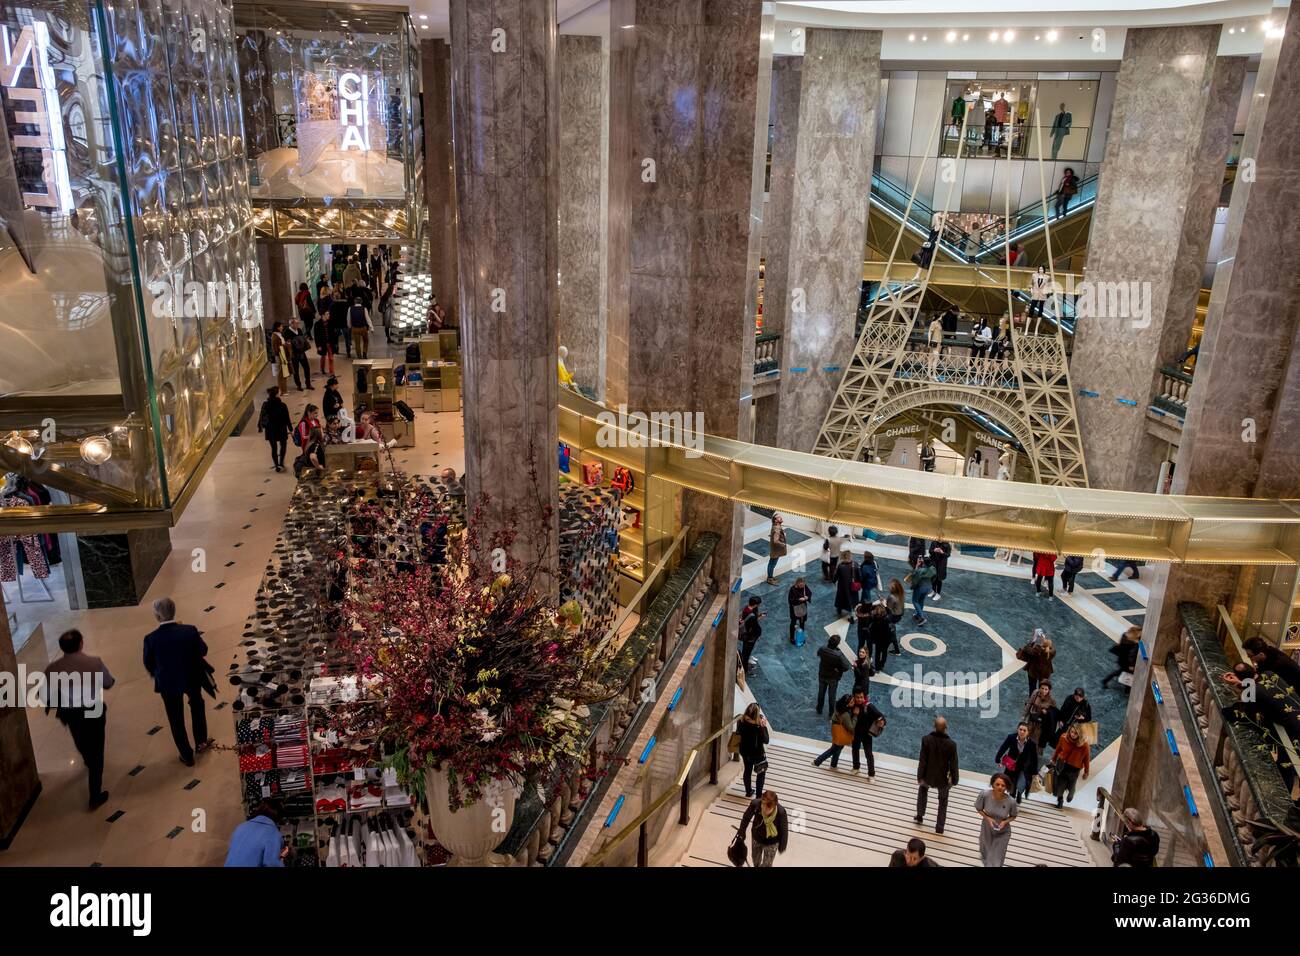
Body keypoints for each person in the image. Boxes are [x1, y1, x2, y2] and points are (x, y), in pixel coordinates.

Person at [45, 629, 114, 809]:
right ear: (81, 643)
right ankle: (95, 795)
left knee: (80, 739)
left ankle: (87, 758)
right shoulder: (94, 662)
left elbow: (45, 696)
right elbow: (108, 682)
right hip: (93, 711)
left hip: (71, 714)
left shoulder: (52, 669)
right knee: (97, 749)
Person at [142, 597, 210, 767]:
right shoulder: (189, 630)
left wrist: (158, 673)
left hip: (168, 683)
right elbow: (203, 650)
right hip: (191, 677)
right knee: (197, 706)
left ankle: (186, 755)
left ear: (157, 616)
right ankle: (201, 742)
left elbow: (148, 663)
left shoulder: (151, 639)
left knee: (175, 718)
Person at [915, 716, 959, 833]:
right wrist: (954, 780)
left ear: (934, 726)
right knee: (943, 802)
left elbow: (923, 760)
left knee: (922, 792)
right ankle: (939, 827)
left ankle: (920, 815)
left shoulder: (926, 740)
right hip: (943, 778)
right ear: (946, 728)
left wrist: (920, 776)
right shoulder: (951, 744)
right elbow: (954, 764)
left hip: (928, 775)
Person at [224, 801, 287, 867]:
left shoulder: (241, 827)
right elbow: (272, 864)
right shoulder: (273, 833)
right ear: (279, 817)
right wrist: (281, 857)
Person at [974, 773, 1018, 866]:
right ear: (992, 784)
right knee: (985, 854)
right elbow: (979, 808)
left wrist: (1005, 821)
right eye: (997, 784)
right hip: (987, 829)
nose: (1000, 787)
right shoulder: (984, 794)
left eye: (1003, 785)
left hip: (1003, 832)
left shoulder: (1011, 801)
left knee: (996, 859)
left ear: (1006, 787)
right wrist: (988, 818)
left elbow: (1013, 815)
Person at [737, 790, 789, 867]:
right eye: (763, 805)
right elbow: (746, 818)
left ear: (774, 806)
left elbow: (784, 830)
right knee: (755, 859)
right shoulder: (755, 804)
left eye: (769, 808)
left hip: (772, 841)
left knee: (767, 863)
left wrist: (782, 845)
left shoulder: (781, 812)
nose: (765, 810)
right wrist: (742, 831)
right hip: (756, 837)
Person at [994, 722, 1039, 804]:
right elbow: (1003, 747)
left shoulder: (1031, 744)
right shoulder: (1011, 737)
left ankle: (1019, 794)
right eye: (1020, 729)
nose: (1022, 732)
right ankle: (1012, 798)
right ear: (1017, 730)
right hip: (1011, 766)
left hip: (1023, 767)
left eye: (1024, 730)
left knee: (1021, 783)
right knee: (1011, 782)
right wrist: (998, 758)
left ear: (1028, 732)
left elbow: (1034, 758)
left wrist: (1034, 772)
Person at [1048, 722, 1091, 808]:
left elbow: (1086, 759)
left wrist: (1086, 772)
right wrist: (1053, 759)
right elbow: (1058, 749)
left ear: (1080, 734)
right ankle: (1060, 801)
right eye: (1071, 732)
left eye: (1075, 733)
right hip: (1062, 764)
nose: (1073, 734)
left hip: (1075, 768)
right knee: (1060, 784)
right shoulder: (1064, 737)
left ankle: (1070, 795)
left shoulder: (1084, 744)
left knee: (1071, 787)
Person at [813, 693, 856, 771]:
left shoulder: (838, 707)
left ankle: (833, 765)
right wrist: (855, 716)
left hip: (836, 731)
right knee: (833, 749)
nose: (854, 703)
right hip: (841, 733)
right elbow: (851, 728)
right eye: (852, 702)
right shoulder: (845, 714)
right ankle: (817, 762)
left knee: (837, 748)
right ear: (847, 705)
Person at [735, 703, 769, 798]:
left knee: (747, 770)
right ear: (756, 714)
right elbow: (766, 740)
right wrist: (764, 726)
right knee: (761, 773)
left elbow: (738, 732)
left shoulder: (741, 721)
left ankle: (748, 791)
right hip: (757, 754)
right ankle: (758, 796)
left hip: (745, 751)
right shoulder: (758, 727)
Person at [257, 386, 292, 472]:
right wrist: (291, 429)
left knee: (274, 448)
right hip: (281, 429)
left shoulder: (266, 404)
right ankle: (281, 463)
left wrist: (260, 426)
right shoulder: (282, 405)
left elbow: (261, 415)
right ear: (277, 394)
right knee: (283, 445)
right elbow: (287, 418)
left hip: (270, 430)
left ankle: (276, 465)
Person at [851, 690, 884, 776]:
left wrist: (882, 722)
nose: (859, 699)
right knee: (855, 750)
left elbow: (881, 716)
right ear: (854, 697)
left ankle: (871, 774)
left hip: (866, 735)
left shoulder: (869, 706)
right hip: (856, 733)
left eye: (861, 697)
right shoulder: (852, 704)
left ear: (864, 697)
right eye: (857, 697)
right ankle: (856, 767)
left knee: (869, 754)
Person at [816, 634, 850, 714]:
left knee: (821, 693)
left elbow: (818, 654)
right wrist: (838, 668)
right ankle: (831, 713)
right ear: (837, 644)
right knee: (832, 696)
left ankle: (819, 708)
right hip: (833, 677)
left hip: (822, 674)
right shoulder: (838, 655)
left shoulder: (823, 649)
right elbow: (846, 667)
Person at [1016, 630, 1055, 696]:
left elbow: (1026, 649)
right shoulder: (1053, 651)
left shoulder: (1037, 650)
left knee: (1032, 688)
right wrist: (1044, 640)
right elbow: (1047, 647)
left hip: (1033, 671)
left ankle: (1032, 700)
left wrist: (1034, 638)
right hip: (1045, 673)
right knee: (1043, 688)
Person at [1023, 680, 1057, 747]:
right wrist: (1024, 715)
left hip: (1041, 723)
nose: (1043, 691)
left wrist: (1047, 712)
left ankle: (1034, 754)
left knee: (1037, 741)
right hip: (1032, 719)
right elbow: (1029, 703)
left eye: (1046, 689)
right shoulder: (1035, 693)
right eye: (1042, 688)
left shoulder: (1052, 700)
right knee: (1026, 735)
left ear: (1049, 690)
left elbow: (1054, 712)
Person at [905, 556, 936, 627]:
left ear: (923, 563)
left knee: (915, 601)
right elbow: (934, 578)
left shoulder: (920, 570)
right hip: (928, 587)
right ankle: (918, 615)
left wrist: (916, 566)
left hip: (920, 587)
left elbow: (914, 577)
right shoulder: (933, 569)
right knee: (921, 601)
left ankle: (922, 617)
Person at [287, 317, 312, 391]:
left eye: (298, 323)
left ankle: (308, 384)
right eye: (296, 323)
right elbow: (288, 344)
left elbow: (303, 340)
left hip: (302, 353)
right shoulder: (287, 332)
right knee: (296, 370)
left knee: (307, 368)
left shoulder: (299, 330)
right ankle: (298, 385)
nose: (298, 324)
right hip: (294, 354)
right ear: (291, 324)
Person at [739, 598, 764, 671]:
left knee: (745, 651)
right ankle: (744, 669)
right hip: (750, 637)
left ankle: (744, 663)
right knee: (747, 653)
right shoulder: (752, 616)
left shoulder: (746, 609)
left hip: (746, 634)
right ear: (756, 604)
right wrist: (760, 618)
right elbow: (754, 626)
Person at [866, 603, 893, 673]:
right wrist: (885, 606)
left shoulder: (874, 619)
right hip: (886, 640)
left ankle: (877, 668)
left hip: (878, 640)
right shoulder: (887, 619)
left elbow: (870, 629)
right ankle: (882, 664)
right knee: (884, 652)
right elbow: (890, 612)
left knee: (877, 653)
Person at [833, 546, 858, 617]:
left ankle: (839, 610)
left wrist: (834, 581)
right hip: (853, 586)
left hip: (843, 587)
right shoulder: (855, 564)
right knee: (852, 600)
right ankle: (852, 615)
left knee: (840, 599)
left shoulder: (841, 566)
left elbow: (836, 576)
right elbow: (859, 576)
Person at [787, 576, 811, 643]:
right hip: (794, 609)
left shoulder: (804, 587)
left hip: (802, 608)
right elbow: (790, 600)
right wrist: (799, 600)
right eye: (801, 585)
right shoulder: (792, 589)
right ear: (797, 583)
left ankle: (801, 636)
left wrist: (807, 597)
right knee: (793, 623)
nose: (802, 586)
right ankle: (792, 638)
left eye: (803, 585)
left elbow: (809, 593)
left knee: (802, 623)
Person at [312, 303, 335, 376]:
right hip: (322, 343)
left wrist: (335, 343)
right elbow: (316, 336)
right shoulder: (317, 324)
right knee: (323, 357)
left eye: (329, 314)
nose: (329, 315)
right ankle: (322, 369)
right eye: (327, 314)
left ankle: (331, 372)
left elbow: (333, 334)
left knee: (331, 358)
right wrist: (318, 345)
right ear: (323, 315)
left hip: (330, 342)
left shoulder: (331, 322)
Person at [329, 289, 351, 357]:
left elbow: (331, 316)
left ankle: (337, 349)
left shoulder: (332, 305)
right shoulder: (345, 304)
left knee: (336, 338)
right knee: (347, 338)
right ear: (340, 296)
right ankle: (348, 351)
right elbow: (348, 313)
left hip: (336, 324)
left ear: (334, 297)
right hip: (344, 323)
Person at [270, 321, 290, 395]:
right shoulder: (274, 336)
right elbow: (276, 348)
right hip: (279, 356)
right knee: (281, 374)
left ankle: (284, 389)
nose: (282, 327)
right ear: (277, 327)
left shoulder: (279, 334)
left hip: (283, 355)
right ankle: (282, 390)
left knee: (284, 372)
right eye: (281, 326)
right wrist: (285, 346)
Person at [1028, 265, 1051, 330]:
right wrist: (1031, 290)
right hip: (1035, 294)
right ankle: (1027, 328)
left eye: (1042, 269)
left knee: (1041, 310)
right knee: (1031, 308)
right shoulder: (1034, 275)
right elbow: (1031, 284)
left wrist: (1047, 291)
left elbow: (1049, 286)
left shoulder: (1047, 277)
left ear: (1044, 270)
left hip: (1042, 295)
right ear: (1038, 269)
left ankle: (1036, 329)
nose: (1041, 270)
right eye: (1040, 269)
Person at [765, 514, 786, 585]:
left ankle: (770, 576)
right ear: (776, 520)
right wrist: (782, 544)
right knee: (772, 563)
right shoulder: (777, 528)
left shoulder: (776, 526)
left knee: (772, 563)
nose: (781, 518)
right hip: (776, 550)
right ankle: (770, 578)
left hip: (775, 549)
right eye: (779, 517)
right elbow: (775, 541)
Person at [886, 578, 906, 653]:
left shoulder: (891, 597)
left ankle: (896, 650)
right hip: (899, 615)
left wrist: (882, 603)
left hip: (892, 616)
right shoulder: (901, 594)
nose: (888, 586)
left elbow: (888, 609)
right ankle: (894, 648)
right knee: (891, 631)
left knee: (891, 633)